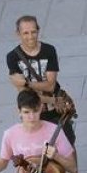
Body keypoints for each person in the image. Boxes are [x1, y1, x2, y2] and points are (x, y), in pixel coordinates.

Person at [6, 15, 75, 145]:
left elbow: (50, 86)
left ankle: (73, 167)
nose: (30, 36)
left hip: (55, 110)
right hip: (34, 111)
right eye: (25, 33)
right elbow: (25, 94)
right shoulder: (12, 57)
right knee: (38, 147)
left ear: (38, 30)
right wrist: (52, 100)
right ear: (18, 34)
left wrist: (26, 83)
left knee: (67, 143)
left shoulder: (48, 50)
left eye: (33, 32)